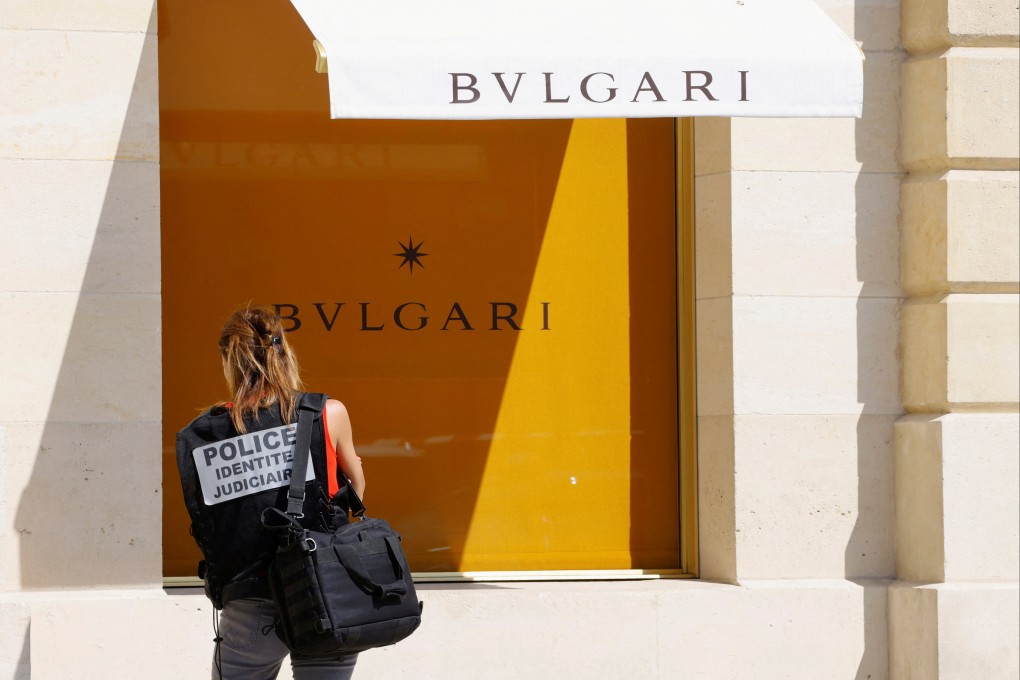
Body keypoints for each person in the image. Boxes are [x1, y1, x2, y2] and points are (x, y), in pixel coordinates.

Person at [176, 304, 366, 680]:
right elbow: (356, 492)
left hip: (250, 599)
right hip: (325, 589)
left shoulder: (201, 433)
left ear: (229, 360)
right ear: (284, 351)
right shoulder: (326, 413)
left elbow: (209, 521)